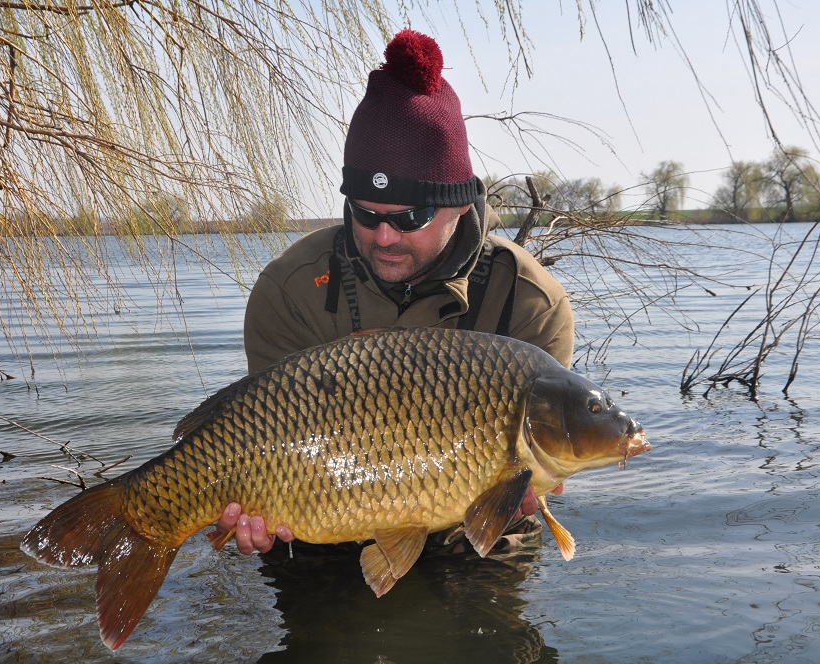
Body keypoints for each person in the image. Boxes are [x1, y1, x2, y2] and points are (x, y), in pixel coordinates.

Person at [217, 29, 574, 556]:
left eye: (409, 217)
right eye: (366, 213)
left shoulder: (530, 303)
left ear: (458, 205)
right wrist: (250, 515)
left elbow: (538, 463)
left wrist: (518, 489)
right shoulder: (290, 289)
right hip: (324, 525)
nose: (384, 236)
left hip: (479, 542)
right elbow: (262, 434)